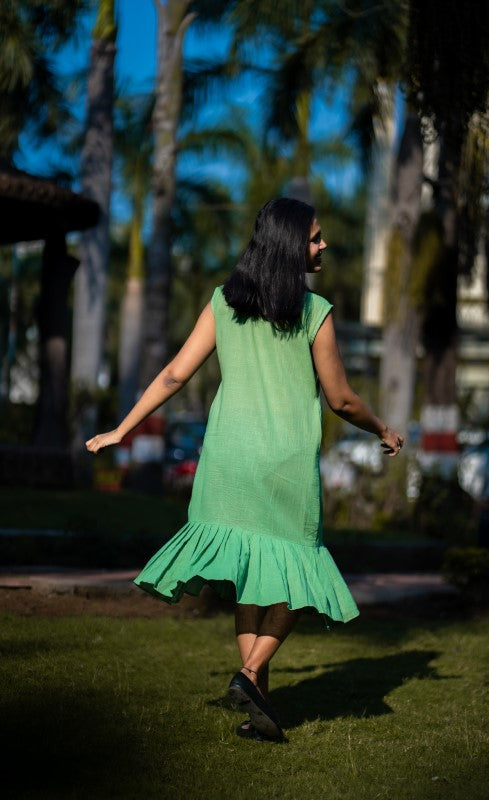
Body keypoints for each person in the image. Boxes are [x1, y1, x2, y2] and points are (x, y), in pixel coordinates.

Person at [86, 197, 403, 743]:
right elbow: (342, 400)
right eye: (314, 238)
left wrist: (122, 428)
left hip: (228, 462)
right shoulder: (314, 312)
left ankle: (259, 710)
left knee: (251, 580)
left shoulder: (222, 303)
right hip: (283, 464)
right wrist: (382, 429)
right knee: (298, 577)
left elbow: (172, 376)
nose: (322, 245)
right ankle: (252, 676)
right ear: (289, 245)